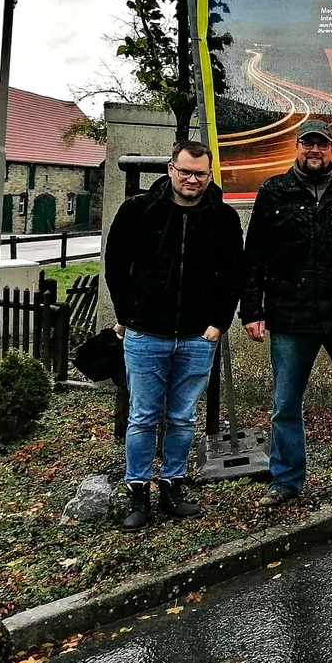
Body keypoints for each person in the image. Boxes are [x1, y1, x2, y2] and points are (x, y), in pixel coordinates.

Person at [241, 119, 332, 507]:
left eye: (322, 144)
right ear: (297, 146)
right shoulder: (274, 191)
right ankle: (286, 478)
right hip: (290, 316)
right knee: (286, 402)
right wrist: (251, 310)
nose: (314, 151)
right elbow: (254, 255)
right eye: (308, 144)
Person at [105, 141, 243, 532]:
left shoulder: (224, 218)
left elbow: (233, 274)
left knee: (182, 418)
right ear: (170, 169)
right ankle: (137, 491)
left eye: (200, 173)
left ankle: (173, 484)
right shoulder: (138, 210)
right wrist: (126, 316)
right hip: (146, 333)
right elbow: (115, 265)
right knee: (143, 416)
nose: (192, 180)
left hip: (199, 336)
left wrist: (219, 323)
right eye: (185, 171)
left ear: (209, 175)